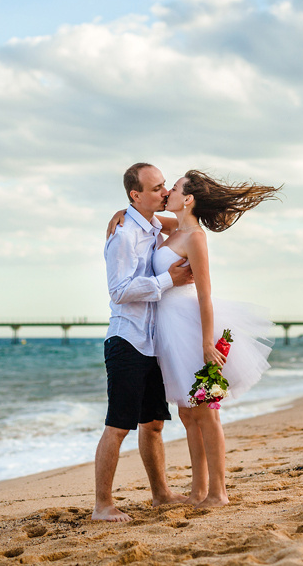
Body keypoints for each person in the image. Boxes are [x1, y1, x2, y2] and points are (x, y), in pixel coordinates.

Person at [109, 170, 280, 508]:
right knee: (188, 414)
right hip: (169, 331)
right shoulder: (173, 228)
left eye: (173, 188)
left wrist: (206, 343)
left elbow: (205, 294)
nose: (167, 192)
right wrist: (119, 213)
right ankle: (198, 491)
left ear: (187, 199)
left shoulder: (195, 237)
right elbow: (144, 217)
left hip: (189, 328)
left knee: (206, 413)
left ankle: (218, 492)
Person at [93, 163, 193, 522]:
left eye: (165, 185)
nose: (164, 192)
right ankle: (102, 505)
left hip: (153, 342)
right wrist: (168, 281)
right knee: (119, 425)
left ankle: (161, 494)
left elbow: (183, 224)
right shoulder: (124, 235)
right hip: (128, 340)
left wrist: (124, 210)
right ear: (136, 195)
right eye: (156, 189)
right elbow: (118, 291)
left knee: (153, 424)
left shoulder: (150, 226)